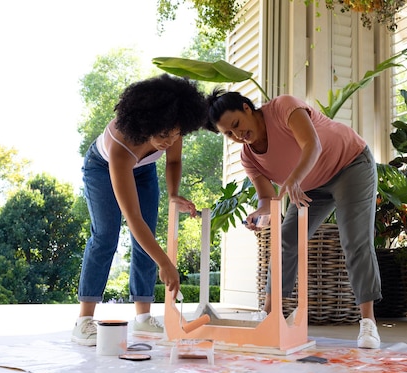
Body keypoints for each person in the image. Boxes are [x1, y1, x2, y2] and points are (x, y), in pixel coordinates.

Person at [205, 89, 382, 349]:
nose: (237, 135)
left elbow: (313, 145)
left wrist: (293, 180)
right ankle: (268, 316)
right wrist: (259, 215)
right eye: (229, 134)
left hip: (350, 165)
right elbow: (267, 200)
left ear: (246, 108)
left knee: (355, 240)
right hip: (310, 186)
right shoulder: (248, 157)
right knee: (286, 240)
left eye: (236, 125)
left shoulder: (283, 108)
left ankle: (368, 322)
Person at [72, 74, 207, 346]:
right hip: (102, 167)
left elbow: (173, 161)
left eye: (176, 134)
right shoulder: (120, 145)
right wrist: (166, 263)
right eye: (164, 135)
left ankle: (143, 317)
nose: (170, 140)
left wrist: (173, 195)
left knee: (147, 239)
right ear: (146, 124)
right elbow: (132, 218)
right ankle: (84, 320)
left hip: (144, 170)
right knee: (105, 236)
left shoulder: (172, 124)